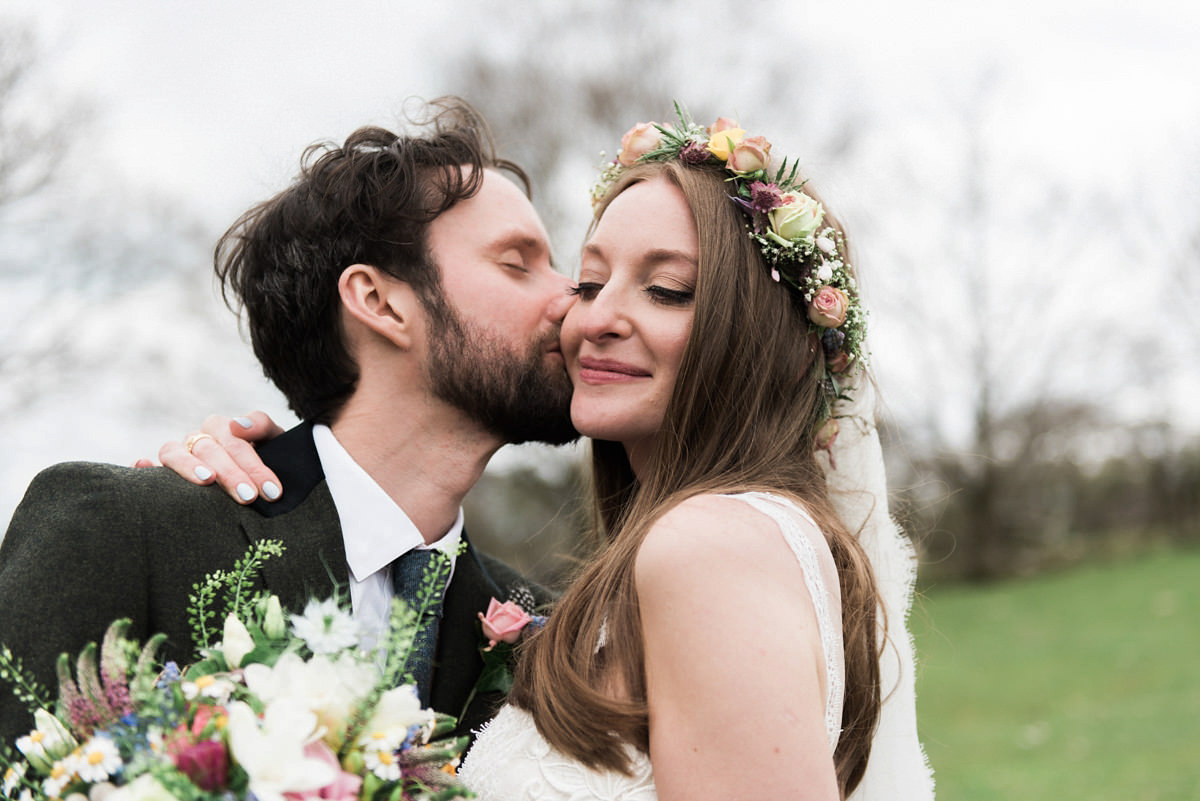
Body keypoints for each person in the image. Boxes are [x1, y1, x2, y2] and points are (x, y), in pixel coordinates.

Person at [164, 108, 935, 799]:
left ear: (774, 346)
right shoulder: (550, 623)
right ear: (377, 302)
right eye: (592, 279)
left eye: (666, 289)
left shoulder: (707, 548)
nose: (581, 310)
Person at [0, 97, 577, 747]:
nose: (571, 295)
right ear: (380, 301)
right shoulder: (119, 531)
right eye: (517, 262)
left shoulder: (538, 631)